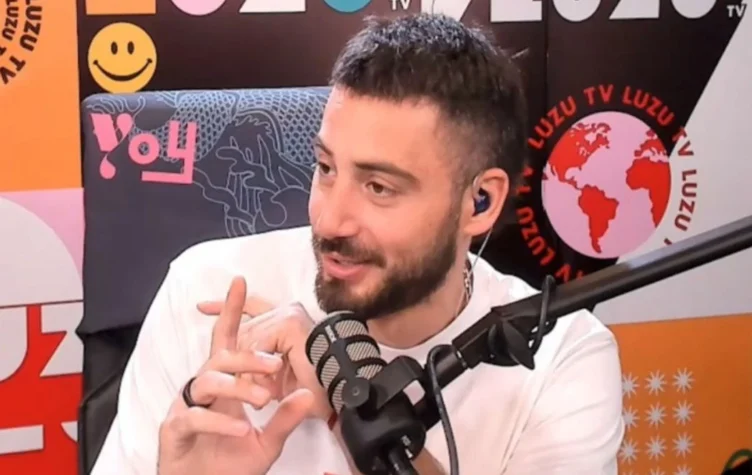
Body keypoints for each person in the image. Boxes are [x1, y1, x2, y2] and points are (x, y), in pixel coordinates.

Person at [91, 12, 624, 475]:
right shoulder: (208, 294)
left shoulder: (562, 358)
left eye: (379, 187)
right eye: (326, 168)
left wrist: (349, 405)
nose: (329, 220)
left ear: (479, 203)